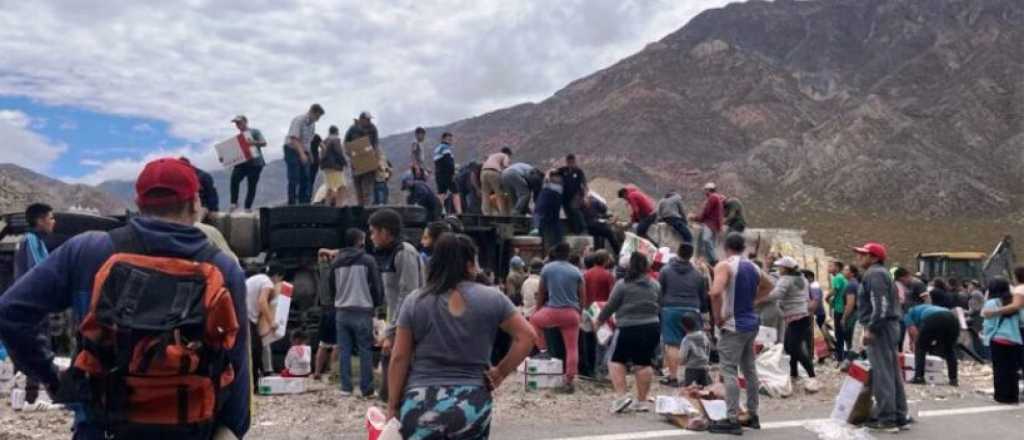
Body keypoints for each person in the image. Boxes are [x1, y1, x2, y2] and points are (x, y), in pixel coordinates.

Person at [0, 157, 251, 439]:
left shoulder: (88, 250)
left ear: (139, 204)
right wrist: (232, 426)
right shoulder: (223, 267)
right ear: (195, 203)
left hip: (103, 427)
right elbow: (237, 367)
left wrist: (50, 376)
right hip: (191, 427)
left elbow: (10, 312)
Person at [386, 234, 536, 438]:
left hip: (421, 399)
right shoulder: (492, 298)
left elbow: (399, 358)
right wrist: (500, 372)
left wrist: (393, 405)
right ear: (469, 265)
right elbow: (527, 336)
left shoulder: (415, 301)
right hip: (472, 403)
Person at [708, 232, 773, 435]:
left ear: (725, 247)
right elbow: (769, 285)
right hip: (751, 323)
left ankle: (732, 418)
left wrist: (718, 317)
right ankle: (753, 414)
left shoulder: (724, 265)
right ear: (743, 247)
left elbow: (715, 292)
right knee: (749, 369)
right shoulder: (753, 267)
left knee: (728, 371)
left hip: (734, 325)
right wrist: (752, 301)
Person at [852, 242, 909, 432]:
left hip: (881, 329)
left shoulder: (875, 274)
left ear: (874, 258)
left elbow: (881, 305)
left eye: (863, 254)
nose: (859, 257)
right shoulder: (881, 273)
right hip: (888, 327)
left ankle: (887, 419)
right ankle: (899, 415)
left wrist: (871, 329)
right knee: (891, 372)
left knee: (882, 373)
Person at [596, 252, 661, 414]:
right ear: (646, 267)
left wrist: (599, 321)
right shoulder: (654, 284)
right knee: (644, 363)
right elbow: (659, 303)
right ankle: (642, 401)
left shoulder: (622, 284)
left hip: (629, 326)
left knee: (616, 360)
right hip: (652, 326)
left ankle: (621, 397)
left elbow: (610, 306)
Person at [373, 209, 426, 402]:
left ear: (385, 232)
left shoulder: (405, 253)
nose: (372, 237)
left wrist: (392, 332)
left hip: (409, 325)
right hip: (397, 324)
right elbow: (393, 298)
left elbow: (408, 294)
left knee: (401, 377)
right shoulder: (390, 254)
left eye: (374, 232)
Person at [330, 228, 384, 397]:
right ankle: (366, 388)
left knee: (344, 349)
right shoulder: (368, 260)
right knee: (364, 350)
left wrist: (338, 301)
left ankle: (346, 387)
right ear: (360, 241)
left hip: (341, 311)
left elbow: (331, 287)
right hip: (362, 310)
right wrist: (376, 304)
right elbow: (376, 286)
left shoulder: (336, 262)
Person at [11, 203, 55, 405]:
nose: (54, 221)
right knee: (37, 345)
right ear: (40, 220)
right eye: (51, 217)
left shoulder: (34, 240)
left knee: (35, 346)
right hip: (33, 306)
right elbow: (41, 270)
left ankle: (31, 393)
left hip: (32, 306)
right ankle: (31, 395)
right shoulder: (31, 240)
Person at [530, 242, 584, 393]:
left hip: (552, 310)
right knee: (572, 348)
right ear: (568, 254)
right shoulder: (576, 271)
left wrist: (538, 309)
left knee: (533, 321)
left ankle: (543, 350)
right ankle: (569, 380)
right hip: (571, 313)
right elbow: (582, 296)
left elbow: (541, 292)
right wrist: (579, 312)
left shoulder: (547, 268)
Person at [761, 257, 818, 389]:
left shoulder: (786, 279)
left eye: (780, 267)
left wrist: (759, 298)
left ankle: (812, 375)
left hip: (796, 317)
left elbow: (776, 294)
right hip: (801, 316)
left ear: (786, 268)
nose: (778, 269)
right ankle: (794, 373)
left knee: (794, 347)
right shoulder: (802, 278)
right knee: (790, 345)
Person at [658, 243, 708, 388]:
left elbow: (660, 290)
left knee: (672, 344)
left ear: (678, 252)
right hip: (692, 308)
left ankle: (673, 377)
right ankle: (696, 377)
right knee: (694, 342)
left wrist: (662, 307)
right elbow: (702, 295)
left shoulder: (665, 270)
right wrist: (703, 312)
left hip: (671, 309)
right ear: (691, 255)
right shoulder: (697, 273)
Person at [981, 277, 1022, 404]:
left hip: (998, 339)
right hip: (1015, 339)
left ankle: (1001, 396)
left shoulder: (992, 303)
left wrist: (985, 336)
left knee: (1000, 369)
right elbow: (1022, 321)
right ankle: (1013, 396)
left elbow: (989, 323)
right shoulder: (1014, 303)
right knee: (1012, 370)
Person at [904, 304, 959, 386]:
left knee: (920, 348)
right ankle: (953, 379)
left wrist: (914, 346)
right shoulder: (925, 307)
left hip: (933, 318)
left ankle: (919, 377)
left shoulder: (908, 314)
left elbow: (913, 332)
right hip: (952, 318)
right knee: (949, 349)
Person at [247, 265, 285, 386]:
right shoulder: (267, 282)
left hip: (244, 315)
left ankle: (254, 382)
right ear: (277, 277)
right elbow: (262, 301)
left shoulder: (258, 278)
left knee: (255, 348)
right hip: (246, 317)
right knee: (256, 350)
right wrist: (271, 322)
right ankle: (254, 384)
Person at [285, 104, 325, 205]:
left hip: (304, 150)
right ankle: (292, 203)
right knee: (294, 176)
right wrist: (302, 154)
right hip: (292, 149)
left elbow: (308, 142)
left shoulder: (312, 125)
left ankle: (303, 203)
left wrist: (310, 155)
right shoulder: (299, 120)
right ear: (312, 112)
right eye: (317, 116)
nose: (317, 119)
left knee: (306, 177)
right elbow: (294, 139)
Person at [228, 114, 268, 211]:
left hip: (256, 163)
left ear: (245, 122)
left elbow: (264, 143)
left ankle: (247, 207)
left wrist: (253, 143)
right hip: (242, 163)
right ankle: (234, 203)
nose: (238, 125)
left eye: (239, 122)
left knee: (251, 185)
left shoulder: (255, 132)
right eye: (236, 123)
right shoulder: (237, 137)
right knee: (234, 179)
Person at [344, 111, 380, 206]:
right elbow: (346, 144)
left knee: (367, 190)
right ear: (361, 119)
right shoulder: (352, 129)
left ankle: (367, 209)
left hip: (369, 164)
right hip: (356, 165)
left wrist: (376, 159)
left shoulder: (373, 129)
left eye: (369, 120)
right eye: (367, 120)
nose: (369, 121)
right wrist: (350, 155)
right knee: (358, 190)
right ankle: (360, 210)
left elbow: (376, 145)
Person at [690, 182, 725, 265]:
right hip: (715, 225)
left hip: (710, 224)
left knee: (706, 240)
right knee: (707, 242)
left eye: (705, 190)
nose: (704, 192)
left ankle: (714, 260)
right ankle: (709, 261)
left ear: (708, 190)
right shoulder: (716, 198)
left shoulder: (713, 197)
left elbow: (706, 212)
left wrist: (694, 218)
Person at [556, 154, 588, 234]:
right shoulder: (563, 170)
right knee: (568, 212)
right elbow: (553, 172)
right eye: (568, 162)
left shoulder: (578, 171)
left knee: (574, 208)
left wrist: (585, 197)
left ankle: (584, 228)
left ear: (574, 162)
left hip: (576, 194)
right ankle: (575, 230)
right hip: (565, 196)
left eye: (572, 162)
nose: (570, 164)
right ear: (566, 162)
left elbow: (584, 184)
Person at [319, 125, 349, 207]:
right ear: (337, 132)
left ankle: (327, 207)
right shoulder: (335, 140)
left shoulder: (324, 141)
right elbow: (338, 152)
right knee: (341, 187)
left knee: (330, 188)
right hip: (335, 167)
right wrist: (344, 163)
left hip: (326, 168)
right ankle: (339, 206)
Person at [535, 171, 565, 251]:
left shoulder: (548, 185)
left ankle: (537, 230)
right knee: (554, 221)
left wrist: (548, 173)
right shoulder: (559, 187)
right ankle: (559, 244)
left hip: (548, 200)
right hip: (553, 202)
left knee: (543, 216)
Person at [680, 314, 712, 387]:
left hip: (691, 368)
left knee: (690, 388)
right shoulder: (704, 336)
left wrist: (682, 362)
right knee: (704, 388)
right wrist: (707, 360)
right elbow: (708, 348)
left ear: (683, 326)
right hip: (704, 367)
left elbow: (683, 355)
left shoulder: (686, 339)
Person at [826, 261, 849, 361]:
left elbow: (834, 291)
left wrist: (826, 298)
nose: (828, 267)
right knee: (842, 334)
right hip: (841, 308)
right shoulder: (841, 277)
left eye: (831, 266)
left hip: (840, 309)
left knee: (839, 334)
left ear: (837, 267)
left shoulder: (838, 278)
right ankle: (844, 356)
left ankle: (840, 358)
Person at [433, 132, 460, 214]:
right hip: (447, 173)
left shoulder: (437, 149)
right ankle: (459, 211)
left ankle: (440, 211)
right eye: (449, 139)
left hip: (438, 173)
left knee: (441, 193)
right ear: (443, 139)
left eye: (451, 139)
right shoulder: (446, 148)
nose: (451, 141)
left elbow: (437, 161)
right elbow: (448, 162)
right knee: (456, 192)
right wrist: (453, 172)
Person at [480, 147, 512, 215]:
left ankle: (486, 213)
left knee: (485, 194)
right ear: (508, 153)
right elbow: (506, 166)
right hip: (494, 172)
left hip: (483, 172)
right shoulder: (505, 155)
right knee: (499, 193)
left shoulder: (492, 155)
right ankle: (503, 213)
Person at [840, 265, 863, 361]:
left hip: (853, 315)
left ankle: (854, 363)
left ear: (852, 273)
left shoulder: (851, 285)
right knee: (855, 341)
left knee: (851, 340)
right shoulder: (855, 283)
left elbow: (850, 304)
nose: (843, 271)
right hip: (857, 314)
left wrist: (844, 318)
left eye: (846, 269)